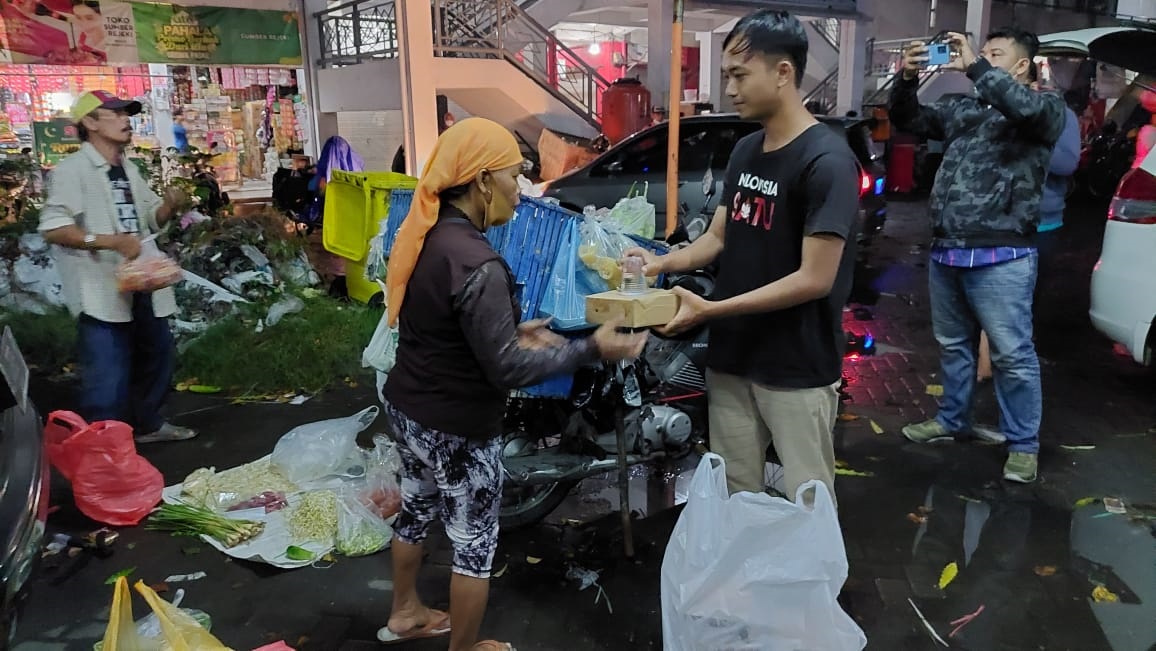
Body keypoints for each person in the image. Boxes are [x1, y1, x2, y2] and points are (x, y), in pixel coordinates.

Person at [378, 117, 646, 651]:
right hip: (455, 425)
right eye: (513, 176)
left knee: (416, 509)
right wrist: (595, 346)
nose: (519, 191)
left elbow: (442, 324)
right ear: (481, 181)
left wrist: (509, 329)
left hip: (409, 409)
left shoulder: (430, 237)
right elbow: (508, 370)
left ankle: (405, 612)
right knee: (474, 543)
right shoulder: (480, 262)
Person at [624, 9, 861, 501]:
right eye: (726, 76)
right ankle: (749, 579)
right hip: (733, 360)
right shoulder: (746, 151)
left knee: (807, 498)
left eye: (738, 74)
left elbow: (814, 279)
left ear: (783, 73)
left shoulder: (827, 162)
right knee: (738, 492)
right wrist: (660, 262)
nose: (729, 88)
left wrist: (710, 310)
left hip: (796, 366)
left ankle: (810, 581)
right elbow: (719, 237)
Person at [891, 29, 1066, 483]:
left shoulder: (1045, 108)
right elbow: (908, 119)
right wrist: (906, 79)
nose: (979, 58)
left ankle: (1023, 444)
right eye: (980, 51)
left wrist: (974, 65)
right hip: (948, 248)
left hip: (1003, 252)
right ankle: (952, 419)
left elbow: (1022, 107)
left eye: (994, 54)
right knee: (953, 346)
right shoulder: (965, 109)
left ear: (1022, 65)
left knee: (1011, 353)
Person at [38, 90, 195, 443]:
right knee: (107, 372)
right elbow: (53, 227)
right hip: (101, 290)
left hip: (141, 282)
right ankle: (104, 447)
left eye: (127, 113)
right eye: (115, 114)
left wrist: (169, 206)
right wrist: (108, 241)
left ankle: (147, 425)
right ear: (90, 123)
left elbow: (149, 219)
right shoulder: (72, 171)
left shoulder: (128, 168)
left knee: (157, 354)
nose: (126, 119)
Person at [977, 65, 1080, 382]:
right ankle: (985, 362)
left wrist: (1032, 134)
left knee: (1026, 298)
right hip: (999, 221)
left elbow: (1066, 162)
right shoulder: (996, 112)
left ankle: (1014, 362)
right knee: (988, 293)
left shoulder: (1063, 117)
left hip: (1043, 225)